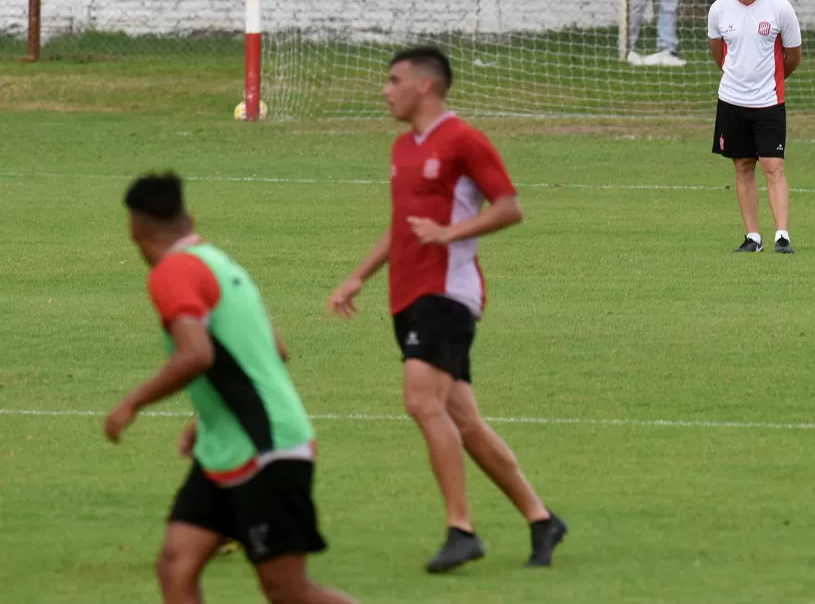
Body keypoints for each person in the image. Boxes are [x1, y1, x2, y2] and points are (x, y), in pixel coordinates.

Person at [326, 47, 567, 572]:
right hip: (407, 296)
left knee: (420, 402)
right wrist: (356, 277)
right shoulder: (400, 149)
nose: (385, 90)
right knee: (466, 422)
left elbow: (509, 207)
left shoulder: (463, 140)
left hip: (449, 294)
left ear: (425, 86)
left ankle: (461, 529)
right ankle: (540, 517)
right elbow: (401, 226)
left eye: (393, 80)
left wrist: (450, 233)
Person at [107, 172, 357, 604]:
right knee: (176, 566)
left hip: (267, 449)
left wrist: (132, 403)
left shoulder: (172, 273)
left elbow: (195, 354)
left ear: (135, 227)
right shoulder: (219, 264)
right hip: (228, 444)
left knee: (289, 591)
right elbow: (275, 349)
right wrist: (210, 416)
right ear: (189, 217)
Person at [707, 0, 803, 254]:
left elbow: (793, 56)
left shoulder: (779, 8)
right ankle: (753, 237)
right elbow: (718, 52)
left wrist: (769, 82)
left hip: (769, 102)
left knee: (773, 166)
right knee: (743, 166)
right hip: (731, 102)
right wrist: (738, 80)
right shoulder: (719, 9)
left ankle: (782, 236)